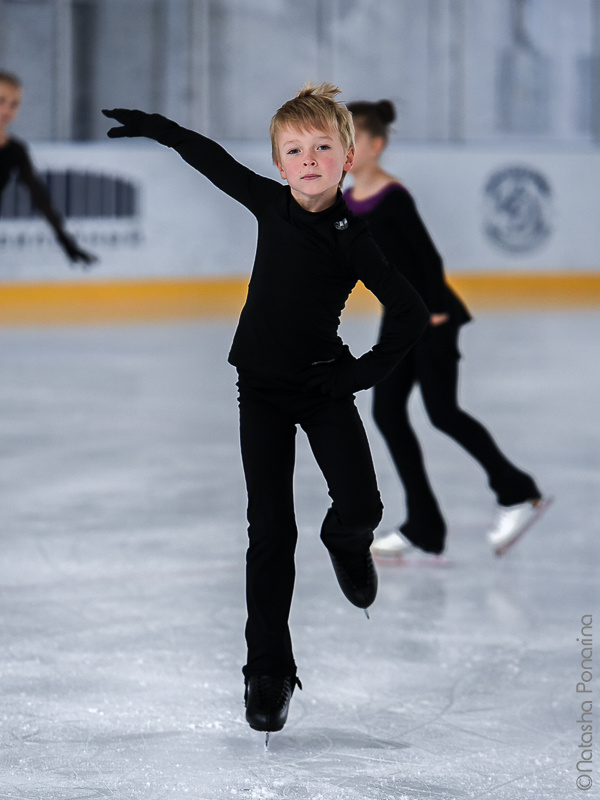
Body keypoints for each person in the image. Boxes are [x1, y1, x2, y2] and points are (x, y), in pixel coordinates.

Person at [102, 84, 429, 738]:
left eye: (322, 148)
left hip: (322, 386)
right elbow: (212, 161)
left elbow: (410, 312)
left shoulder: (353, 238)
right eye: (294, 150)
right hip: (260, 389)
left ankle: (345, 540)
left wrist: (356, 375)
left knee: (362, 507)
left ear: (347, 158)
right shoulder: (268, 202)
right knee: (271, 530)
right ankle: (268, 670)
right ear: (279, 163)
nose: (308, 160)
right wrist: (159, 126)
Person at [344, 99, 550, 563]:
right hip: (400, 317)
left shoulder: (393, 197)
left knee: (442, 412)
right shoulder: (349, 201)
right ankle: (424, 525)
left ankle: (517, 490)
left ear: (376, 146)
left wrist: (436, 311)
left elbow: (428, 256)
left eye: (354, 140)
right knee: (388, 413)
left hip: (432, 314)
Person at [0, 71, 96, 267]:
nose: (7, 110)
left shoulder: (15, 151)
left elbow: (40, 197)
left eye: (14, 104)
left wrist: (65, 240)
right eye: (1, 101)